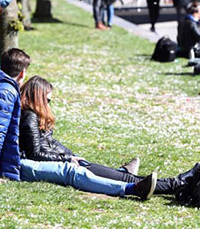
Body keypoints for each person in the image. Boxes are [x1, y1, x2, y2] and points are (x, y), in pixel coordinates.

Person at [0, 48, 157, 199]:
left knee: (75, 165)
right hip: (4, 165)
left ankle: (130, 177)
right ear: (23, 73)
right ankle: (131, 188)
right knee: (70, 171)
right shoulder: (4, 92)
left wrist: (68, 154)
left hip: (1, 160)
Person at [19, 76, 179, 195]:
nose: (49, 104)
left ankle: (129, 173)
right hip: (43, 164)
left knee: (107, 172)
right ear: (38, 98)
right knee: (123, 179)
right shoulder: (29, 117)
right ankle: (174, 184)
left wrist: (70, 155)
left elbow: (50, 143)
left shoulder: (33, 116)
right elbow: (35, 153)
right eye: (47, 100)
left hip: (54, 160)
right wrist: (67, 159)